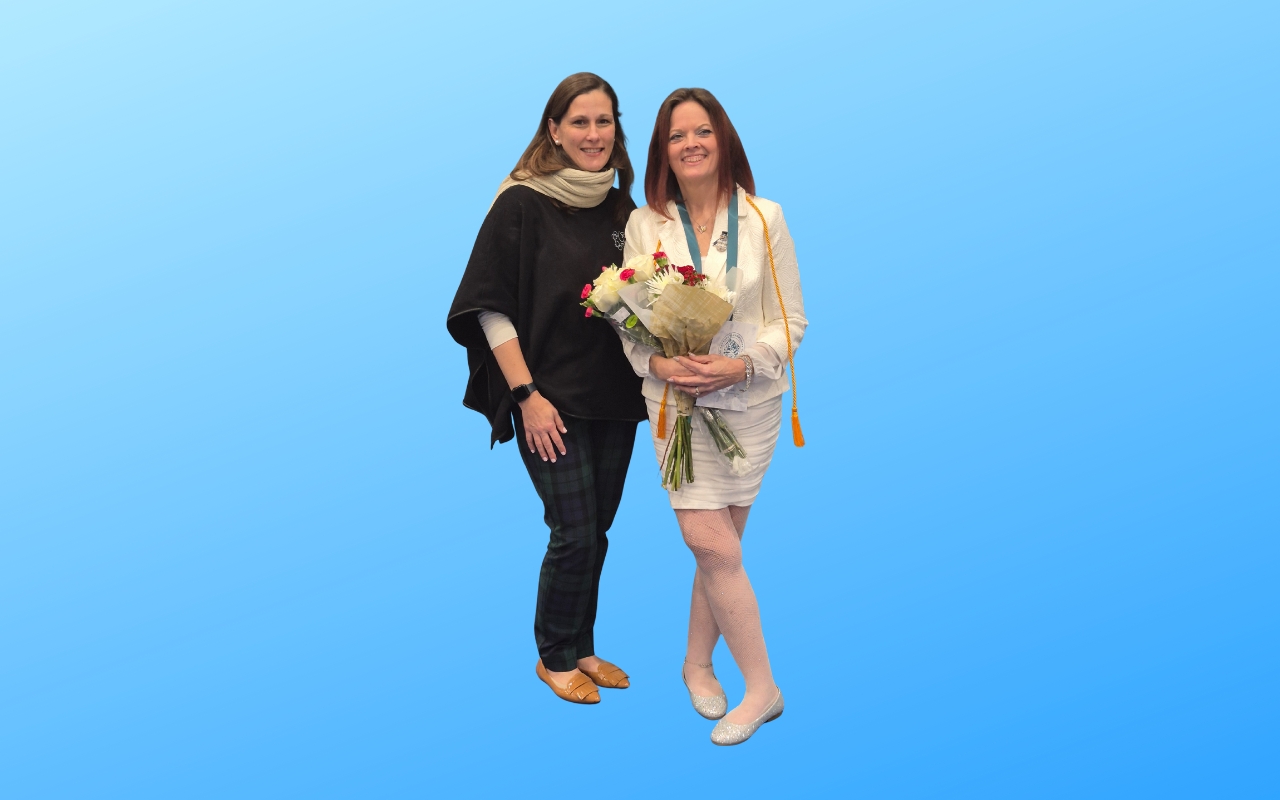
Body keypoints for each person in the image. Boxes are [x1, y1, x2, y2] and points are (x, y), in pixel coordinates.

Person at [447, 73, 645, 705]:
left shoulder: (623, 211)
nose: (594, 134)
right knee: (574, 527)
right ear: (554, 131)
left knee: (601, 526)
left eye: (605, 122)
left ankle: (582, 643)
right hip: (546, 396)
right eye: (580, 122)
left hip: (614, 395)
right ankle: (555, 655)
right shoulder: (521, 204)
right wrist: (526, 395)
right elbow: (489, 308)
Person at [619, 88, 807, 744]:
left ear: (724, 139)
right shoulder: (647, 224)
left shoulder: (764, 216)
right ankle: (763, 689)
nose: (690, 143)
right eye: (677, 136)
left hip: (750, 406)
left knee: (720, 549)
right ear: (662, 151)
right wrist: (659, 365)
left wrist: (742, 365)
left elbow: (792, 322)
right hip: (677, 408)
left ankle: (697, 663)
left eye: (702, 131)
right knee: (709, 543)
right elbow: (633, 323)